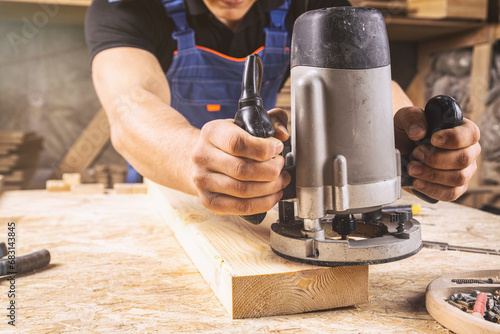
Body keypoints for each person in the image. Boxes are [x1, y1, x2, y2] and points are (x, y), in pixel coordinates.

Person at [85, 0, 481, 216]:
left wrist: (401, 131)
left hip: (261, 177)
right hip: (167, 181)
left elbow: (362, 74)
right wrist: (194, 161)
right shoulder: (125, 7)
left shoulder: (307, 3)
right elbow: (130, 106)